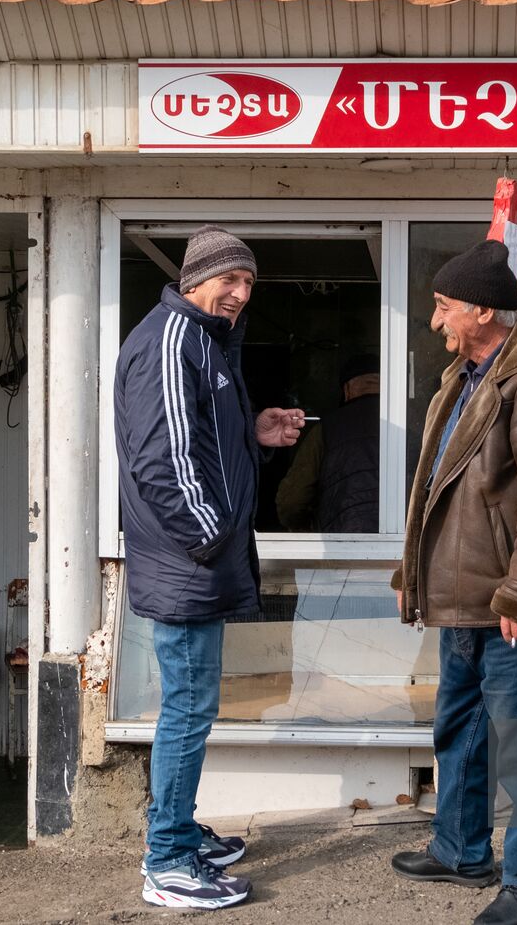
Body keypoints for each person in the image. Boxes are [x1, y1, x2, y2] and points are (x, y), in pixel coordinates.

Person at [389, 240, 517, 925]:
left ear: (482, 309)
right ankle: (460, 849)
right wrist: (412, 572)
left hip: (511, 602)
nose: (435, 321)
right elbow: (436, 488)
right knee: (461, 730)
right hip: (463, 596)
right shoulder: (465, 375)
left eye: (443, 307)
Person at [114, 225, 305, 910]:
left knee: (191, 708)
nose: (240, 293)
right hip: (187, 566)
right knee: (188, 710)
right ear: (196, 277)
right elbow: (161, 463)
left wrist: (254, 430)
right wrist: (213, 538)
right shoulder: (172, 340)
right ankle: (167, 859)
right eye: (230, 278)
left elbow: (198, 437)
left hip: (195, 565)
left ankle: (179, 830)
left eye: (248, 282)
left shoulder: (201, 342)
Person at [275, 353, 381, 533]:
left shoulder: (326, 430)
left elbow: (290, 502)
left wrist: (306, 530)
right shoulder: (406, 431)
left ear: (347, 390)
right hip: (399, 547)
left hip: (340, 544)